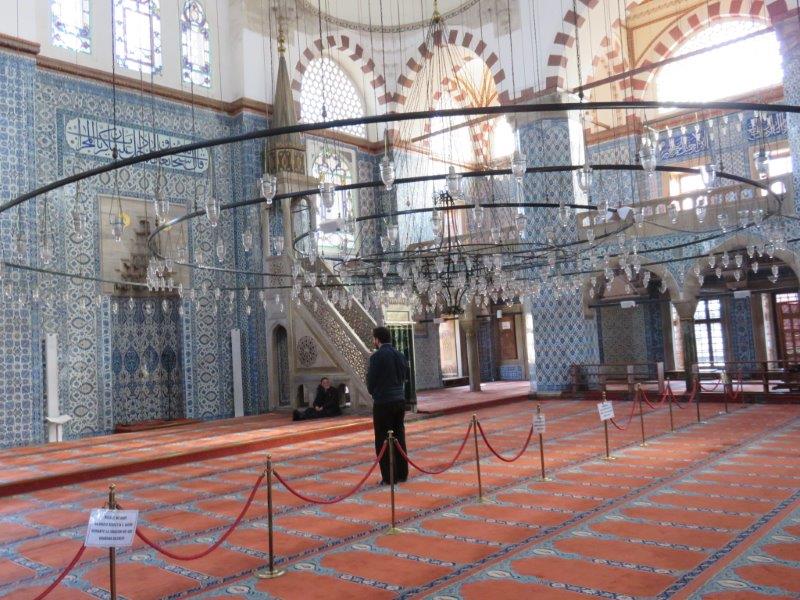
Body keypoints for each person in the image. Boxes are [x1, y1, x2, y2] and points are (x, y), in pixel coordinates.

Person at [367, 326, 409, 485]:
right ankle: (402, 474)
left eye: (373, 339)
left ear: (377, 339)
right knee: (399, 437)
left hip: (383, 403)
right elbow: (405, 376)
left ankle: (389, 477)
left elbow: (371, 383)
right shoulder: (399, 355)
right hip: (399, 401)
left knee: (383, 440)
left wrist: (374, 391)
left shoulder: (376, 357)